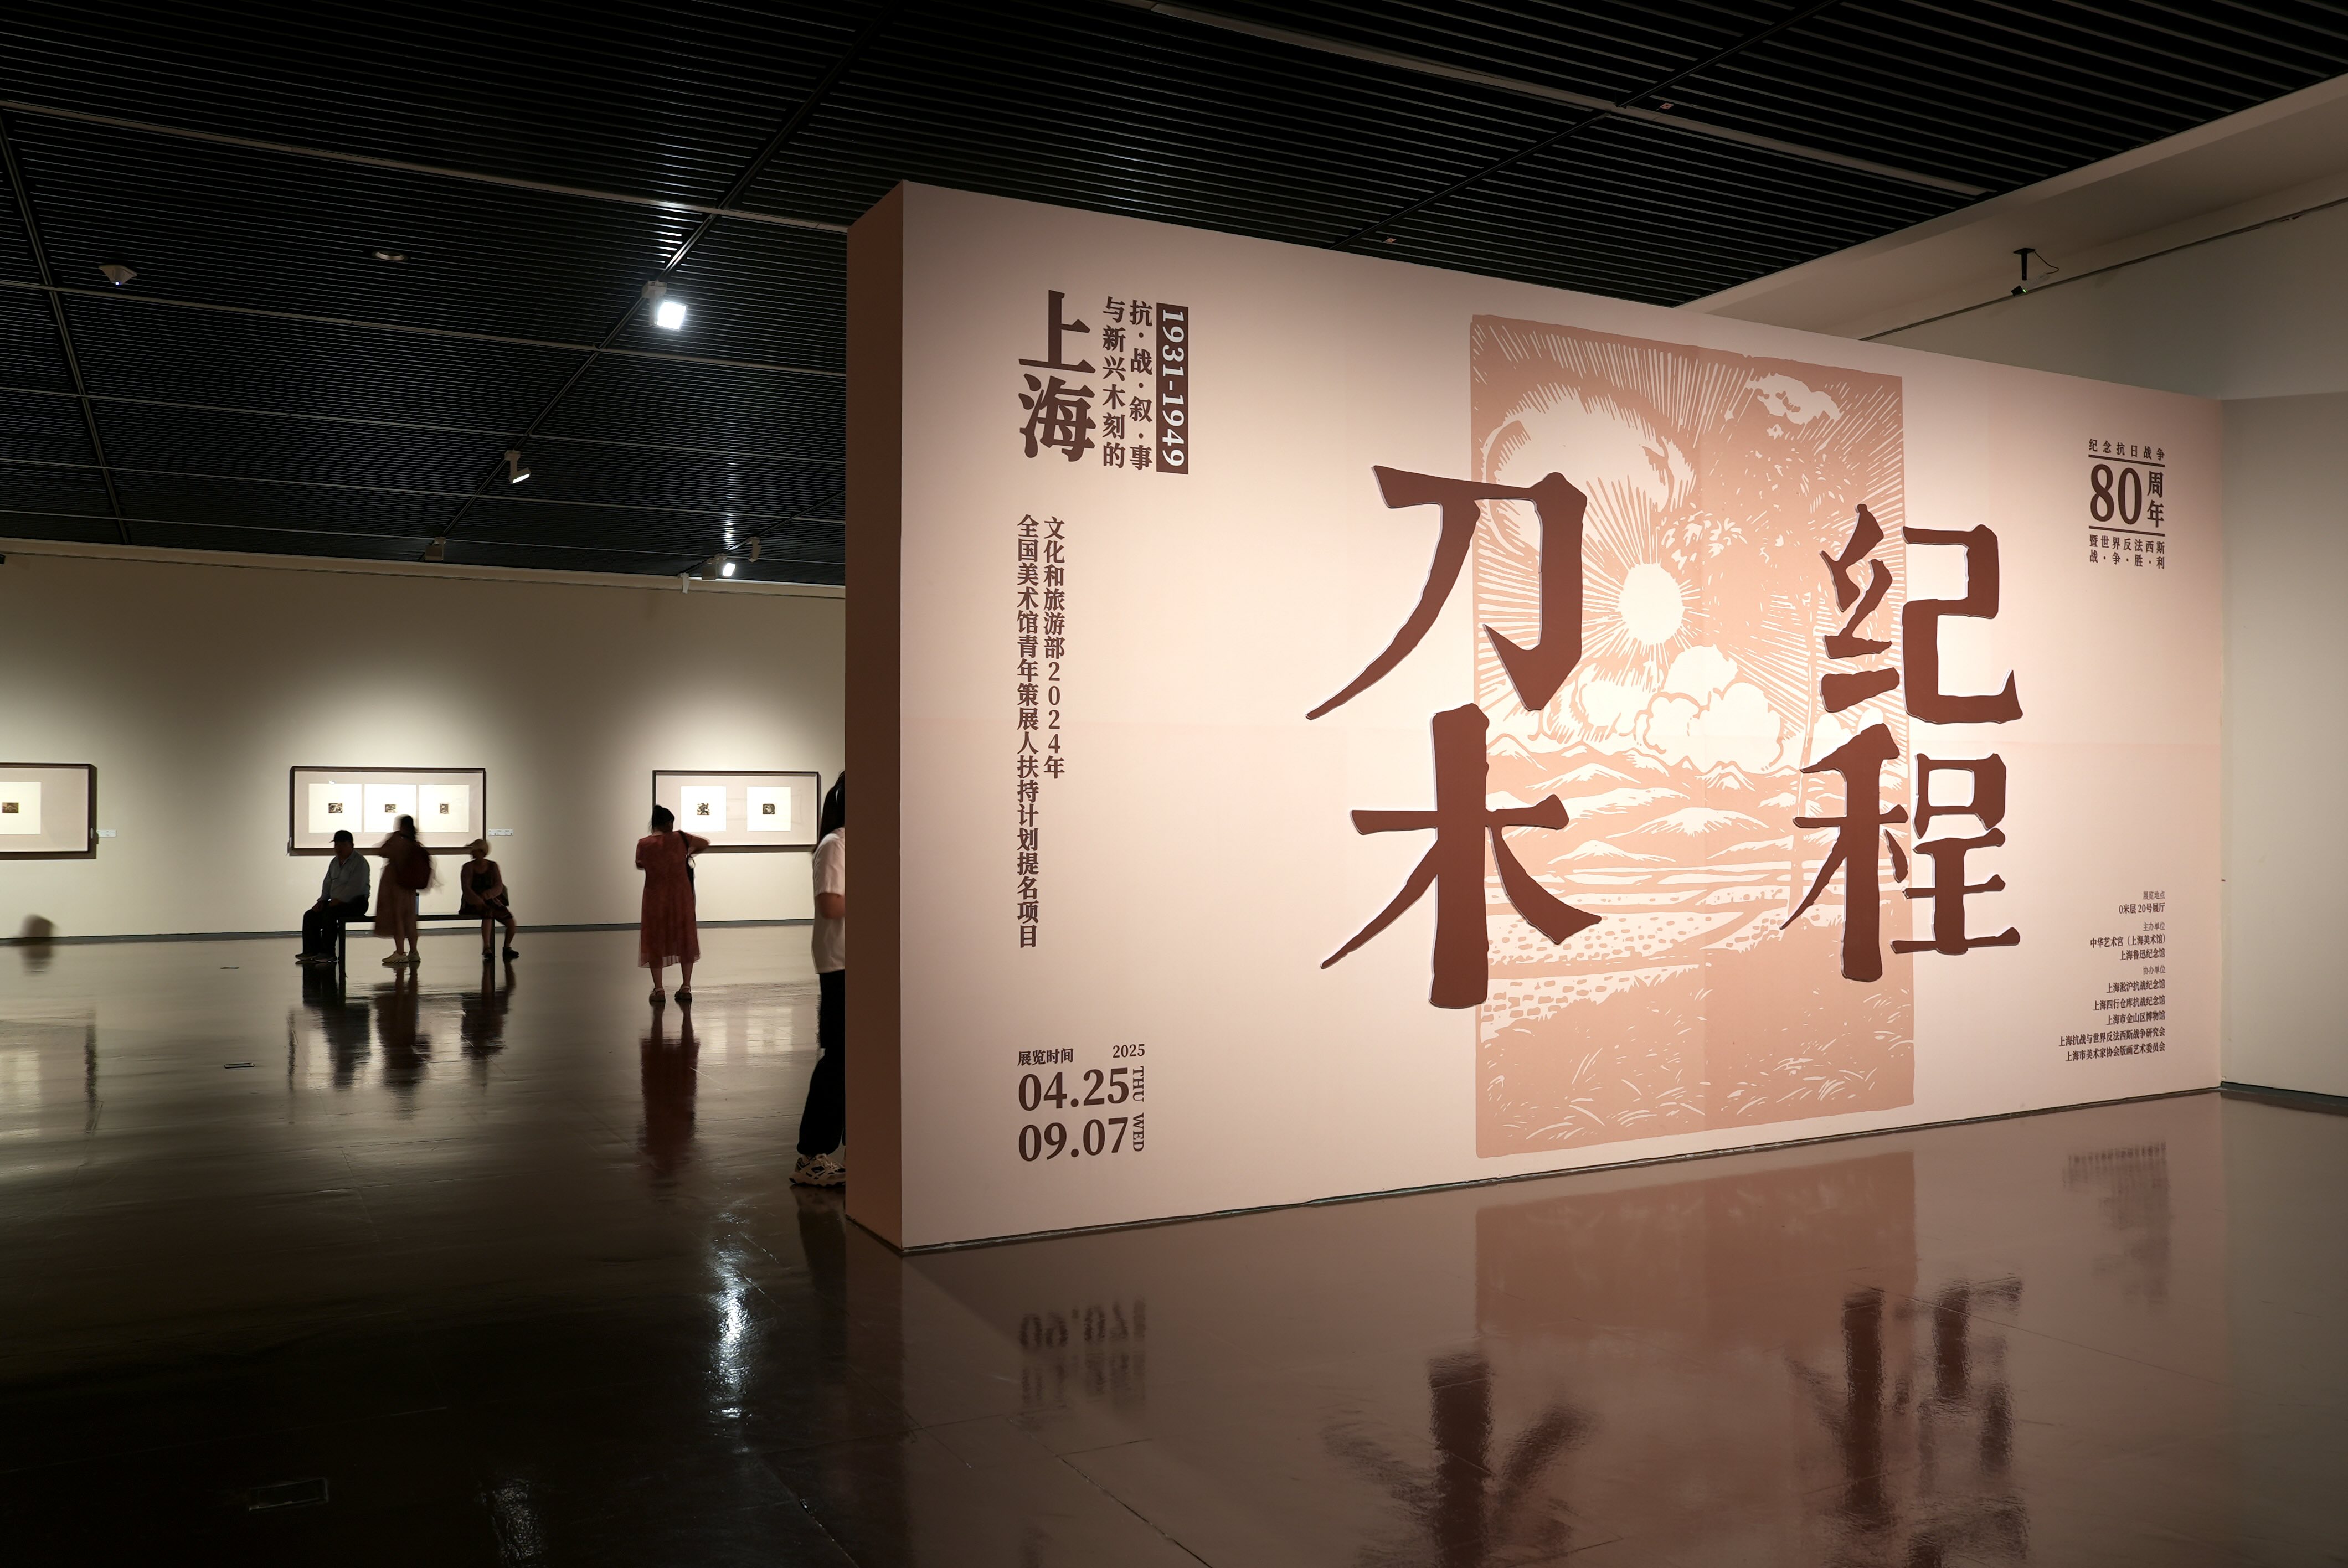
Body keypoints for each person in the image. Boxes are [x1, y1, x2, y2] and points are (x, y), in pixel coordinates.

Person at [792, 775, 847, 1188]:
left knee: (859, 1059)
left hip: (868, 965)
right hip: (841, 965)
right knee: (840, 1058)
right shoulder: (835, 844)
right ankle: (812, 1156)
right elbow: (830, 905)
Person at [636, 804, 708, 1005]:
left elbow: (640, 863)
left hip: (655, 898)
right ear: (669, 823)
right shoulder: (680, 838)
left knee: (654, 940)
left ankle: (659, 989)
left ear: (654, 824)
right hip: (681, 897)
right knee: (685, 938)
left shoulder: (644, 844)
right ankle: (686, 986)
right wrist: (688, 852)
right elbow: (705, 843)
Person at [298, 829, 370, 965]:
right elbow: (328, 883)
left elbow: (355, 887)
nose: (339, 848)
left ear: (351, 845)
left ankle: (328, 953)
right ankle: (311, 951)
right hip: (336, 903)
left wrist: (337, 901)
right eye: (337, 845)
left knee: (330, 914)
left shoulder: (360, 862)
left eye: (343, 845)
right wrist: (322, 901)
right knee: (310, 915)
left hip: (356, 903)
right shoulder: (334, 862)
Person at [373, 814, 432, 967]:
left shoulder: (398, 841)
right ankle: (414, 951)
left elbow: (382, 851)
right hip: (409, 886)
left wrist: (391, 839)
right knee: (410, 918)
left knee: (398, 918)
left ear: (402, 826)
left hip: (396, 884)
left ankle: (400, 952)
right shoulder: (414, 843)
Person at [459, 839, 519, 961]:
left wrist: (487, 895)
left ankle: (507, 947)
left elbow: (499, 886)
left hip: (492, 901)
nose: (472, 853)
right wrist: (478, 900)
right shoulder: (468, 867)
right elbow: (466, 888)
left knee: (511, 923)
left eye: (474, 850)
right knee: (488, 914)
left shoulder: (493, 866)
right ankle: (487, 947)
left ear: (482, 852)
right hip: (473, 902)